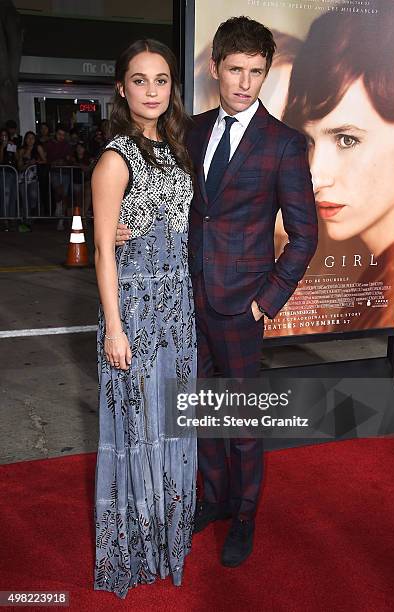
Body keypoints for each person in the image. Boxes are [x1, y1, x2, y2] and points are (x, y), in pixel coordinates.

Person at [117, 16, 318, 567]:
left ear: (265, 74)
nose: (245, 83)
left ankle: (247, 513)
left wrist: (267, 299)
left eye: (256, 72)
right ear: (215, 69)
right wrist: (123, 222)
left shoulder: (283, 144)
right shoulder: (194, 129)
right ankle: (215, 499)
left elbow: (305, 235)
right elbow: (163, 196)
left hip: (241, 304)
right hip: (186, 299)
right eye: (235, 70)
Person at [93, 39, 197, 598]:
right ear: (121, 87)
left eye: (161, 80)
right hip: (134, 308)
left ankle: (167, 538)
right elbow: (104, 250)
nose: (152, 91)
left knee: (172, 423)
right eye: (140, 80)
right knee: (138, 428)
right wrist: (114, 328)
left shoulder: (175, 149)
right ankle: (134, 548)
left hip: (178, 310)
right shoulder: (115, 157)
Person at [282, 2, 394, 330]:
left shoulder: (390, 291)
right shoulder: (376, 273)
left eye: (346, 139)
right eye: (309, 141)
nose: (315, 176)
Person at [44, 126, 73, 229]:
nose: (61, 137)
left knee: (64, 195)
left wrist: (66, 160)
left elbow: (70, 158)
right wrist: (53, 162)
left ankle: (61, 220)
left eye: (63, 135)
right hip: (55, 172)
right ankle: (58, 206)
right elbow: (46, 158)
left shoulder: (67, 145)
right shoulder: (49, 144)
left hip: (65, 172)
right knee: (58, 191)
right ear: (55, 134)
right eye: (59, 134)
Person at [16, 130, 47, 231]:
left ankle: (31, 214)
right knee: (25, 200)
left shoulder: (37, 148)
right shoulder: (21, 150)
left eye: (32, 138)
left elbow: (45, 161)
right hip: (23, 178)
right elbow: (19, 166)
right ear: (25, 139)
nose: (30, 140)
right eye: (28, 138)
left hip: (34, 178)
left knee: (33, 197)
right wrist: (28, 164)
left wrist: (37, 162)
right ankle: (27, 221)